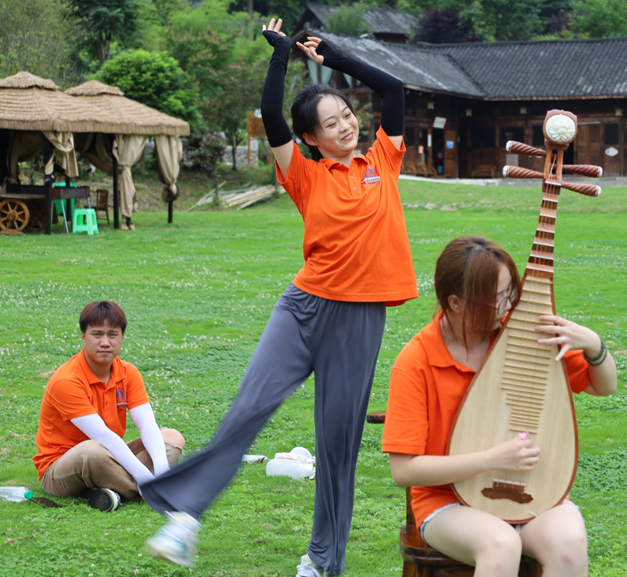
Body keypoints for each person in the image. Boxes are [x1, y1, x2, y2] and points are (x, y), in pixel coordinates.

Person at [141, 18, 416, 577]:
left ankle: (322, 562)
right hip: (303, 309)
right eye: (330, 123)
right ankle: (185, 517)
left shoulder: (382, 160)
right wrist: (280, 57)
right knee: (248, 409)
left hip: (359, 320)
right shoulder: (304, 174)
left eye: (347, 115)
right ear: (310, 138)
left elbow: (394, 90)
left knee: (337, 446)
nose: (345, 126)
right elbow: (271, 115)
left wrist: (335, 58)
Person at [381, 237, 617, 577]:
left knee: (569, 542)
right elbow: (404, 470)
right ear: (456, 302)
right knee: (501, 544)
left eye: (510, 293)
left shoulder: (523, 337)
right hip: (446, 502)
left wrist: (593, 344)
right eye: (497, 299)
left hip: (531, 491)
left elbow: (603, 386)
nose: (508, 307)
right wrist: (492, 459)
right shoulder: (416, 361)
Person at [33, 301, 184, 512]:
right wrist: (143, 476)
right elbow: (102, 436)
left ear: (122, 337)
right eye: (97, 334)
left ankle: (113, 490)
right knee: (91, 451)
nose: (105, 342)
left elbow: (147, 425)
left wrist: (162, 472)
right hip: (60, 468)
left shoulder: (128, 372)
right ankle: (144, 489)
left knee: (172, 437)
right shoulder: (66, 380)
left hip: (108, 454)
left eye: (112, 334)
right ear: (83, 336)